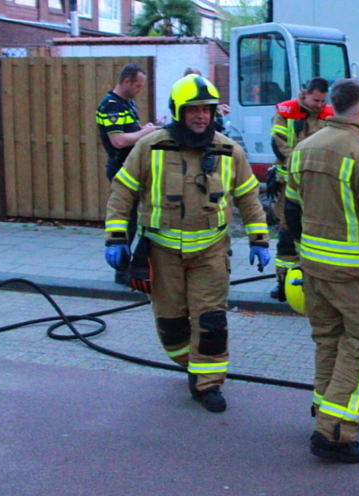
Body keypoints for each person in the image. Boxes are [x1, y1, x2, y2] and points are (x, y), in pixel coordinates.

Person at [103, 75, 270, 413]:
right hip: (163, 254)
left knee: (211, 322)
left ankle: (208, 384)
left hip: (211, 253)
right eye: (193, 109)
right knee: (172, 326)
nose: (201, 116)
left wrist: (260, 239)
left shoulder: (229, 150)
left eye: (207, 110)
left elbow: (249, 198)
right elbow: (122, 193)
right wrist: (116, 237)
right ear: (178, 111)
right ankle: (192, 363)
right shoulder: (150, 147)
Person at [283, 78, 359, 464]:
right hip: (355, 275)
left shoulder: (304, 148)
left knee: (328, 341)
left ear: (332, 105)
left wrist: (306, 253)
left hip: (314, 268)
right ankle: (334, 432)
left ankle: (325, 410)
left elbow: (292, 210)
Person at [269, 77, 334, 301]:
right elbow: (278, 143)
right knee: (287, 233)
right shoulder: (286, 112)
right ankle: (283, 282)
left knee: (315, 232)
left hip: (318, 186)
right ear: (305, 94)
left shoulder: (329, 115)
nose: (319, 105)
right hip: (289, 183)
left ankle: (314, 281)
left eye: (323, 101)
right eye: (316, 100)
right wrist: (300, 165)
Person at [95, 63, 159, 284]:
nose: (140, 90)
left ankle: (139, 264)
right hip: (122, 170)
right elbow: (118, 140)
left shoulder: (127, 104)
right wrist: (145, 132)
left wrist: (146, 129)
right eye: (138, 86)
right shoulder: (111, 106)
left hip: (135, 168)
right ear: (126, 82)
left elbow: (131, 132)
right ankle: (122, 270)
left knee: (146, 215)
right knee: (128, 220)